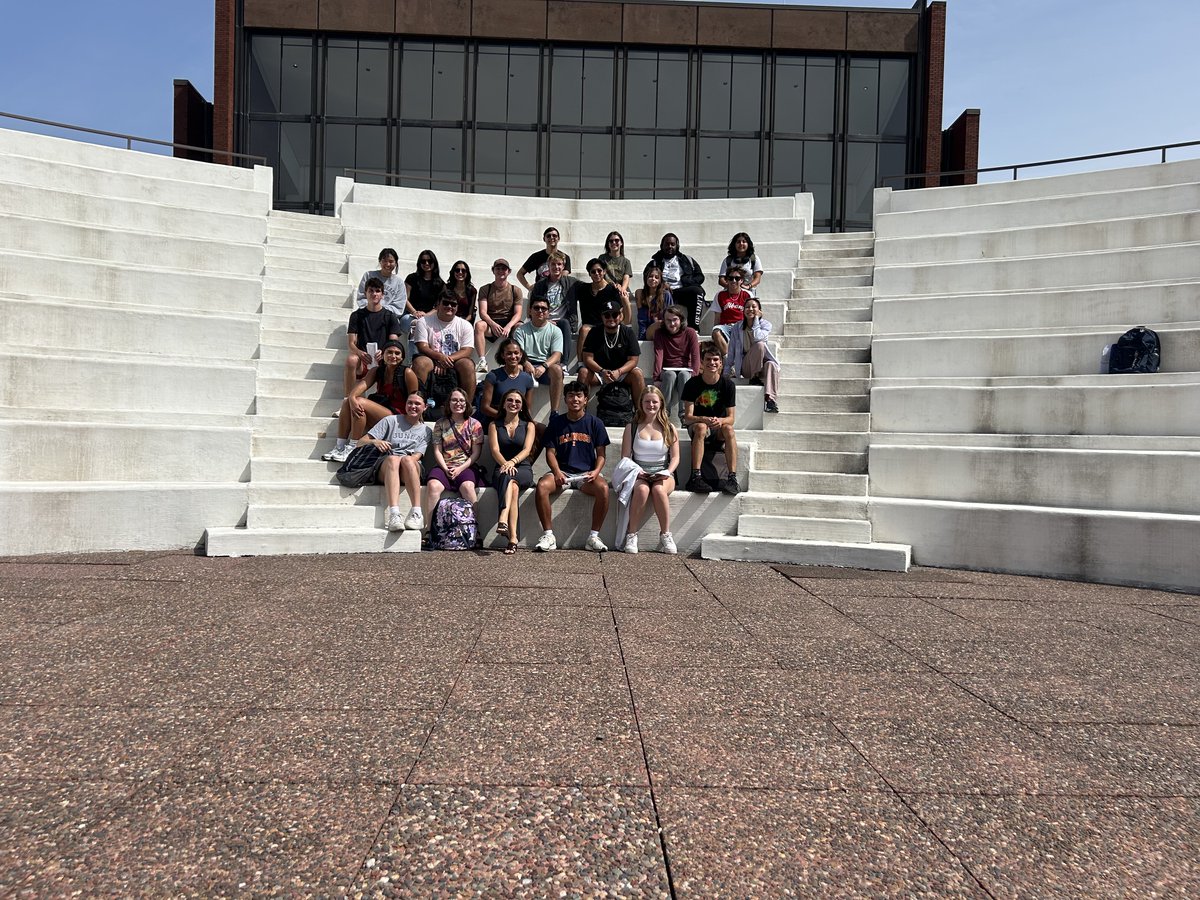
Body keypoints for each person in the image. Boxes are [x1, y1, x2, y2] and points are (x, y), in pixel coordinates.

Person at [534, 381, 610, 552]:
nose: (574, 399)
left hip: (586, 473)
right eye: (570, 395)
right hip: (563, 471)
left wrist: (596, 472)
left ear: (585, 400)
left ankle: (593, 537)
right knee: (542, 486)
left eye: (579, 395)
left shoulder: (595, 423)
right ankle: (548, 535)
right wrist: (556, 472)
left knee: (604, 489)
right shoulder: (556, 423)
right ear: (565, 399)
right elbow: (550, 453)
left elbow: (601, 455)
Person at [324, 339, 417, 462]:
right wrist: (351, 398)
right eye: (389, 352)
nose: (393, 356)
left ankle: (353, 447)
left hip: (399, 418)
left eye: (397, 353)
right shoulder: (376, 370)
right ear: (382, 355)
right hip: (383, 413)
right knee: (348, 401)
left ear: (402, 357)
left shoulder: (407, 373)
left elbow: (416, 398)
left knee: (360, 402)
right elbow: (360, 387)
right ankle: (340, 446)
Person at [357, 392, 431, 532]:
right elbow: (360, 442)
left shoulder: (426, 430)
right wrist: (376, 441)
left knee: (407, 460)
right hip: (388, 466)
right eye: (410, 402)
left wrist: (403, 459)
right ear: (405, 404)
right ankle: (394, 514)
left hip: (409, 469)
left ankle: (416, 512)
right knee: (393, 459)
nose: (413, 406)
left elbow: (417, 456)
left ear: (425, 407)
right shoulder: (390, 421)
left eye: (417, 404)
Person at [620, 386, 680, 555]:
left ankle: (666, 534)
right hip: (639, 471)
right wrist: (637, 472)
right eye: (647, 401)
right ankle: (631, 534)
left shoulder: (669, 428)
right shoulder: (631, 427)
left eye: (654, 401)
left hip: (663, 472)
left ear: (661, 403)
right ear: (641, 403)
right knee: (642, 490)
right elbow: (625, 457)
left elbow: (675, 457)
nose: (651, 405)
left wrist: (667, 471)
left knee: (659, 490)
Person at [682, 341, 740, 495]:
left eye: (715, 360)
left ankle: (732, 478)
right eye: (708, 359)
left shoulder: (728, 385)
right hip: (698, 427)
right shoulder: (692, 384)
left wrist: (720, 421)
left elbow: (731, 418)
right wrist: (703, 419)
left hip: (717, 428)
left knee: (729, 429)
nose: (711, 363)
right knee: (701, 427)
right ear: (702, 362)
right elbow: (687, 417)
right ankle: (696, 476)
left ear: (721, 363)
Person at [421, 387, 484, 529]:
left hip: (466, 465)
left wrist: (460, 468)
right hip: (445, 465)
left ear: (467, 403)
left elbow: (476, 453)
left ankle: (475, 530)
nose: (458, 403)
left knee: (467, 487)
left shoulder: (475, 424)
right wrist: (445, 468)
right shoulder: (440, 424)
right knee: (433, 486)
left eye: (461, 400)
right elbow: (437, 450)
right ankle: (429, 530)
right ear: (449, 403)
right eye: (454, 400)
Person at [488, 388, 536, 554]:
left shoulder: (529, 425)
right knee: (512, 486)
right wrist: (506, 464)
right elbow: (494, 450)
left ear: (522, 407)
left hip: (522, 468)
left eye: (517, 401)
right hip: (501, 467)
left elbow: (527, 449)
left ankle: (503, 517)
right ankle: (513, 538)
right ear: (503, 404)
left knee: (512, 480)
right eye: (510, 400)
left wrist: (513, 462)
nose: (513, 404)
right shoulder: (494, 425)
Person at [341, 277, 402, 398]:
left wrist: (384, 352)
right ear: (366, 294)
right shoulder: (356, 315)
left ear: (383, 295)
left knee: (393, 358)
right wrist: (360, 353)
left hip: (383, 360)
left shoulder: (390, 316)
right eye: (371, 290)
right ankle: (347, 401)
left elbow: (394, 343)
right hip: (363, 361)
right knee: (351, 359)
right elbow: (351, 343)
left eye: (378, 291)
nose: (374, 294)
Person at [412, 294, 478, 402]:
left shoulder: (465, 325)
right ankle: (418, 403)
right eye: (445, 303)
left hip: (455, 360)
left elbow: (467, 350)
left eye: (453, 304)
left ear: (457, 307)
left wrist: (446, 359)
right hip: (431, 358)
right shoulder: (423, 321)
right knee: (420, 363)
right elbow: (422, 346)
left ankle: (467, 406)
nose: (449, 306)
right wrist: (439, 357)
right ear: (438, 305)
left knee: (468, 365)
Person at [580, 298, 644, 404]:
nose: (611, 318)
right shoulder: (594, 332)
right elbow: (587, 358)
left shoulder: (628, 332)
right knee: (583, 372)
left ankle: (640, 415)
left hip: (622, 373)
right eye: (607, 315)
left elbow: (633, 360)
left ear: (620, 316)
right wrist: (602, 371)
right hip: (599, 372)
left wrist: (619, 372)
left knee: (637, 374)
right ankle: (581, 415)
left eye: (614, 315)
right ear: (602, 317)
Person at [727, 297, 781, 414]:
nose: (750, 309)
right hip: (747, 367)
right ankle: (754, 377)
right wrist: (726, 372)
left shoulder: (766, 325)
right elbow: (731, 350)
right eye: (747, 307)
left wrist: (756, 319)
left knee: (771, 364)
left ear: (759, 310)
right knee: (759, 346)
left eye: (753, 307)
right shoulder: (737, 327)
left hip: (762, 365)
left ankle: (770, 400)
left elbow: (757, 337)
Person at [512, 297, 566, 415]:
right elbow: (518, 353)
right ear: (530, 311)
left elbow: (557, 355)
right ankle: (523, 413)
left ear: (548, 312)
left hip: (546, 366)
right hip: (526, 362)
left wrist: (543, 366)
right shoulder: (520, 330)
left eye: (544, 308)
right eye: (536, 308)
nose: (540, 311)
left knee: (557, 369)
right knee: (518, 369)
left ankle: (554, 412)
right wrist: (526, 363)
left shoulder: (555, 331)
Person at [473, 258, 524, 374]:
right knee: (479, 325)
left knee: (520, 326)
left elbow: (518, 313)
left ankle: (521, 360)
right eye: (498, 268)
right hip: (492, 323)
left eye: (504, 269)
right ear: (493, 270)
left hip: (509, 323)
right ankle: (482, 361)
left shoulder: (515, 290)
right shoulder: (485, 289)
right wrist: (493, 324)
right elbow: (483, 312)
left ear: (509, 271)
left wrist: (509, 326)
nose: (501, 271)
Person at [529, 251, 579, 369]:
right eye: (553, 264)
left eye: (559, 264)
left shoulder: (571, 282)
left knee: (564, 323)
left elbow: (592, 287)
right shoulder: (540, 285)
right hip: (544, 321)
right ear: (548, 265)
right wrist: (545, 320)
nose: (556, 267)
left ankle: (564, 364)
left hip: (563, 323)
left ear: (563, 266)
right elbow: (533, 305)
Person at [573, 258, 627, 367]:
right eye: (593, 271)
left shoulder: (612, 290)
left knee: (585, 329)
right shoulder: (583, 289)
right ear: (589, 274)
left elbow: (621, 313)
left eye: (599, 270)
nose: (596, 273)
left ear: (604, 271)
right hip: (589, 327)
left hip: (606, 325)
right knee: (584, 329)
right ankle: (581, 364)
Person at [653, 304, 700, 423]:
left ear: (681, 320)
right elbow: (659, 355)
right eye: (668, 320)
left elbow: (695, 356)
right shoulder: (659, 333)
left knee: (684, 375)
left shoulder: (690, 332)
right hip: (667, 369)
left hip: (686, 369)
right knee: (670, 375)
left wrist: (695, 375)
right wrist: (657, 377)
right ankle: (663, 413)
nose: (672, 324)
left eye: (675, 320)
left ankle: (685, 415)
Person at [649, 233, 705, 331]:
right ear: (661, 246)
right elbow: (647, 278)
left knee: (698, 291)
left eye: (672, 244)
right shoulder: (654, 262)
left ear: (677, 246)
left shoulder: (688, 260)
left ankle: (694, 328)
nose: (669, 246)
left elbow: (700, 277)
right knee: (665, 293)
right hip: (662, 292)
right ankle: (665, 327)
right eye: (667, 244)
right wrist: (661, 284)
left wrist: (687, 282)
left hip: (681, 291)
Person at [478, 337, 536, 421]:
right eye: (509, 353)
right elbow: (485, 408)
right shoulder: (493, 376)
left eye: (516, 353)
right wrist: (506, 417)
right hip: (496, 420)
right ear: (503, 355)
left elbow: (527, 410)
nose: (513, 356)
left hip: (517, 421)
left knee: (541, 429)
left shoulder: (527, 379)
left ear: (521, 354)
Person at [708, 268, 750, 359]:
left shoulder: (748, 295)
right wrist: (715, 334)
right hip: (725, 327)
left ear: (741, 281)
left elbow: (753, 314)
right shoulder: (720, 295)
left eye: (737, 278)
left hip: (741, 326)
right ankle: (729, 359)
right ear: (726, 280)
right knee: (715, 331)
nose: (733, 281)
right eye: (730, 278)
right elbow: (717, 317)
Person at [356, 247, 407, 318]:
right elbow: (361, 297)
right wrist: (372, 309)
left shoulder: (399, 282)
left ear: (396, 263)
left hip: (387, 317)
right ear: (380, 261)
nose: (388, 264)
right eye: (385, 261)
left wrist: (380, 311)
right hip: (367, 314)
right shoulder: (368, 275)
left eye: (391, 261)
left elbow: (398, 307)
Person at [718, 232, 763, 298]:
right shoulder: (728, 260)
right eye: (738, 242)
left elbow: (757, 278)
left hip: (749, 292)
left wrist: (748, 286)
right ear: (734, 244)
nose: (741, 244)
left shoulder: (754, 259)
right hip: (730, 294)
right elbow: (721, 280)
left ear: (748, 244)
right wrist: (732, 287)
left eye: (744, 241)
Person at [404, 250, 445, 318]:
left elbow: (439, 305)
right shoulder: (411, 278)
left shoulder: (440, 284)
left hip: (430, 316)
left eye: (430, 261)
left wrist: (426, 315)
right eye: (423, 261)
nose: (426, 263)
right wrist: (414, 312)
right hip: (411, 314)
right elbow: (405, 298)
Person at [635, 264, 672, 341]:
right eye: (650, 276)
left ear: (660, 281)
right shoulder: (640, 293)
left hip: (663, 330)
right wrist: (642, 337)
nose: (653, 279)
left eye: (656, 277)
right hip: (647, 332)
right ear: (646, 278)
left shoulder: (666, 295)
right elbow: (641, 318)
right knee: (658, 324)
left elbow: (671, 314)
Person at [598, 231, 632, 304]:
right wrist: (609, 285)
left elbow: (626, 278)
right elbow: (600, 275)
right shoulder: (602, 258)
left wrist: (622, 289)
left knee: (624, 296)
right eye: (611, 241)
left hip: (620, 287)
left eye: (616, 240)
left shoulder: (626, 261)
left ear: (621, 243)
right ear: (608, 244)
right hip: (606, 286)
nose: (614, 243)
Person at [445, 259, 478, 324]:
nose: (460, 272)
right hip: (448, 320)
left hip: (464, 322)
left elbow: (470, 315)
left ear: (467, 273)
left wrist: (462, 324)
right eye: (457, 270)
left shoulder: (472, 291)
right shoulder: (446, 288)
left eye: (463, 270)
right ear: (453, 272)